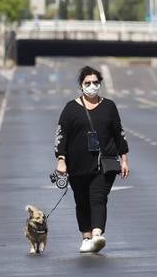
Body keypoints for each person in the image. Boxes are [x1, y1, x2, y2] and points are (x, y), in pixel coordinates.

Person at [53, 66, 130, 254]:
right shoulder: (71, 108)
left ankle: (97, 235)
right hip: (77, 164)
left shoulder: (109, 106)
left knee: (98, 197)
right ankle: (86, 237)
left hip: (106, 163)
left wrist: (124, 159)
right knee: (81, 201)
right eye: (88, 83)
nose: (92, 86)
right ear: (81, 85)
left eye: (96, 82)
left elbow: (119, 133)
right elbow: (61, 135)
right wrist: (61, 160)